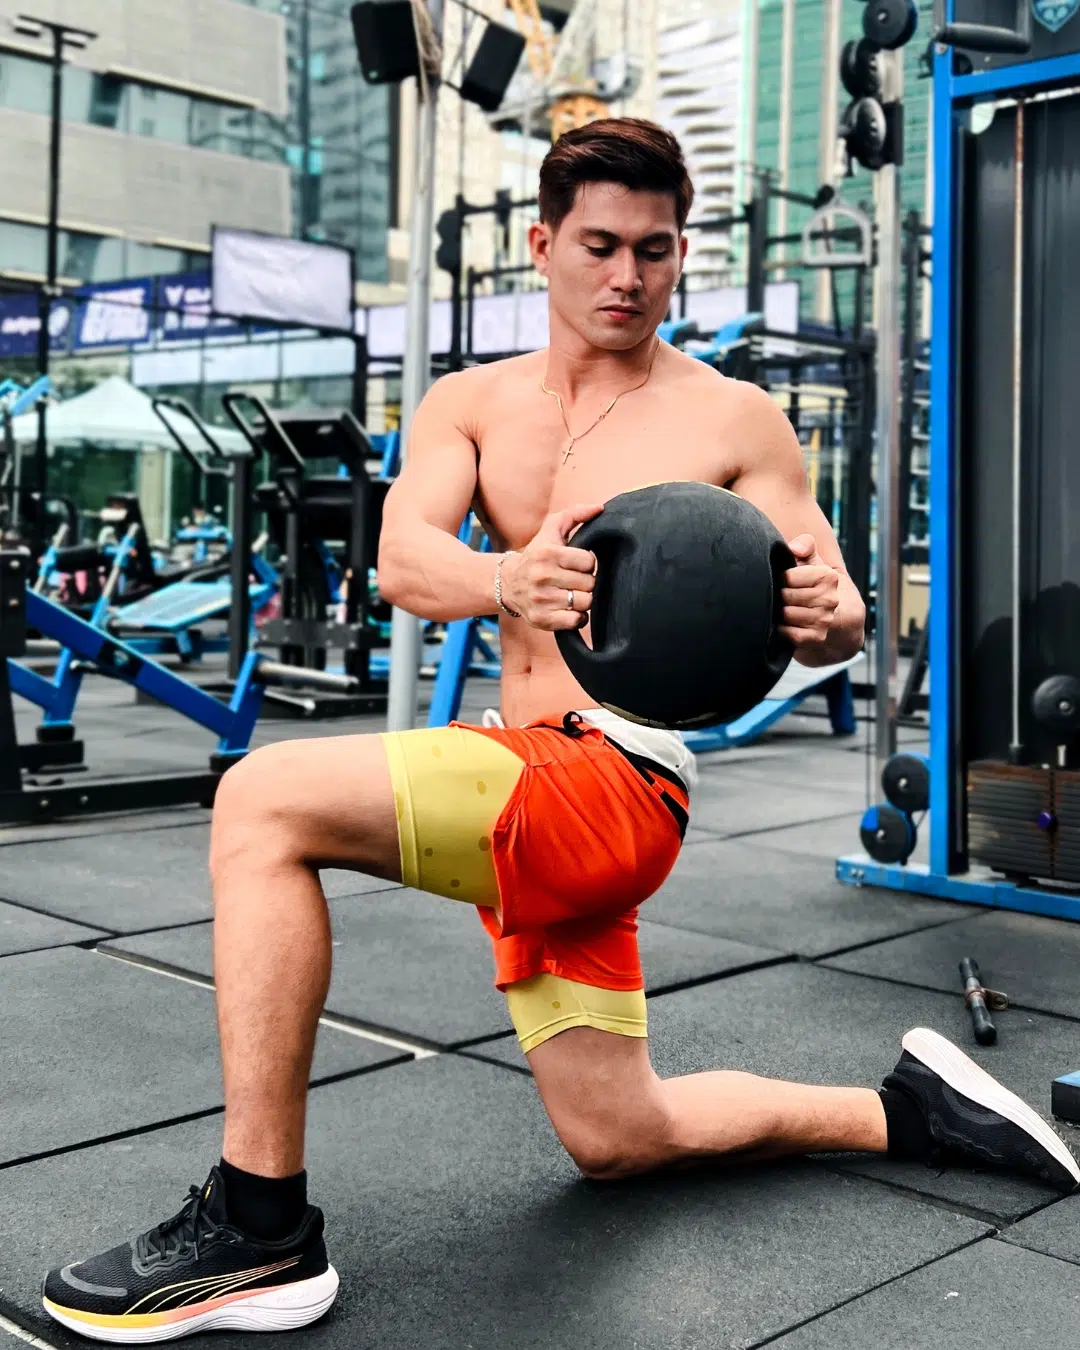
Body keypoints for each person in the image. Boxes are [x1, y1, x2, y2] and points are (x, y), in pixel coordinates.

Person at [43, 119, 1079, 1344]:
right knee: (620, 1133)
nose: (628, 276)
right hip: (529, 777)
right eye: (600, 246)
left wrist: (829, 616)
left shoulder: (736, 418)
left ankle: (259, 1225)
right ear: (542, 246)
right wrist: (505, 580)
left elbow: (837, 607)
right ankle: (910, 1110)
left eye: (655, 249)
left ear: (679, 254)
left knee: (260, 801)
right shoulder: (472, 404)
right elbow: (404, 558)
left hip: (620, 778)